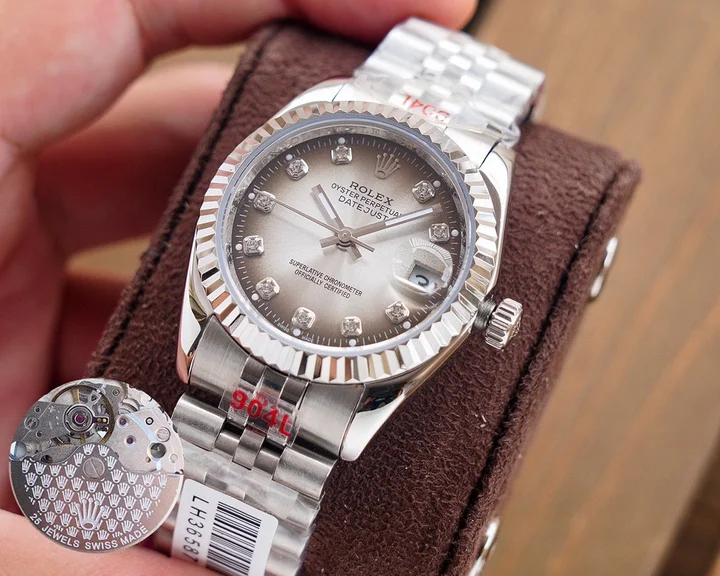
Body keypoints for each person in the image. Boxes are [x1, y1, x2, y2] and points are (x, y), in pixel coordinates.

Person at [0, 0, 475, 573]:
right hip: (231, 333)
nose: (346, 238)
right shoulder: (319, 110)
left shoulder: (477, 178)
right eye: (341, 230)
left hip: (329, 389)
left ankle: (233, 545)